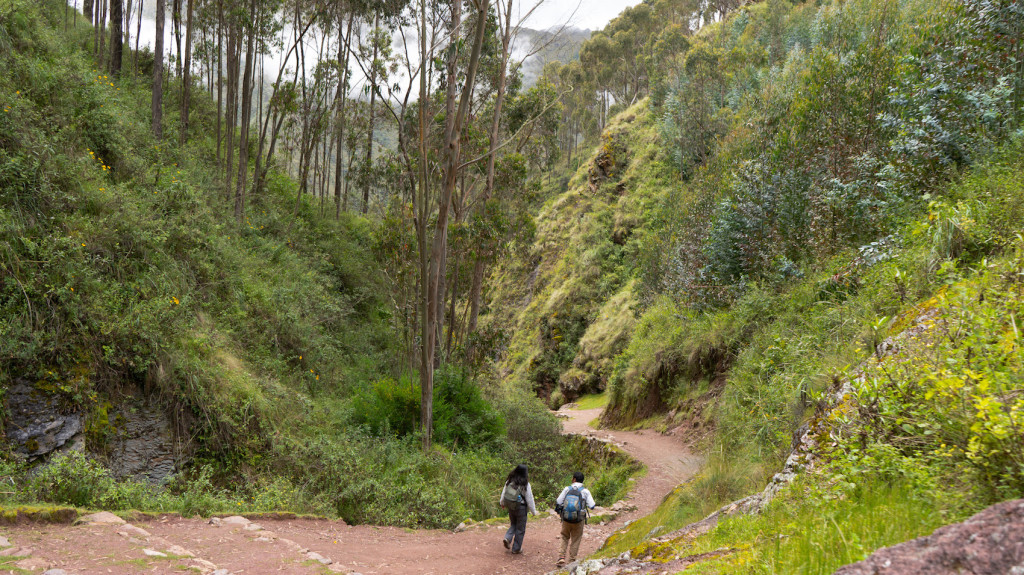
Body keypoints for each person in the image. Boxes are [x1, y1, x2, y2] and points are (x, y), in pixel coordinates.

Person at [554, 471, 596, 566]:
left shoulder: (567, 489)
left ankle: (561, 556)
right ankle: (571, 561)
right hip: (578, 520)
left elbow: (558, 501)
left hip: (566, 518)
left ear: (574, 479)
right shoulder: (585, 491)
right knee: (576, 539)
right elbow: (592, 505)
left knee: (564, 536)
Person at [499, 463, 538, 554]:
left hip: (511, 506)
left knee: (513, 524)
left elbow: (504, 492)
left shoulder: (510, 480)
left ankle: (508, 538)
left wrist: (502, 503)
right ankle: (516, 549)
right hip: (521, 508)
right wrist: (533, 512)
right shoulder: (525, 484)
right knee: (520, 529)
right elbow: (530, 499)